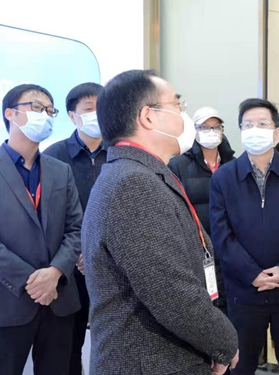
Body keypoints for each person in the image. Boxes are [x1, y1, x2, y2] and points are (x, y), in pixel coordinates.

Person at [81, 70, 238, 375]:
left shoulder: (139, 172)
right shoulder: (133, 184)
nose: (183, 115)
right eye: (177, 106)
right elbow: (171, 293)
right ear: (148, 117)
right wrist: (225, 343)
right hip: (151, 362)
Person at [209, 98, 279, 375]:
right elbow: (222, 237)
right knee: (241, 365)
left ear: (276, 131)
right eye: (248, 125)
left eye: (262, 123)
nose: (255, 129)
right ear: (240, 131)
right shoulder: (224, 178)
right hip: (243, 291)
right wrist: (252, 274)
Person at [0, 84, 83, 375]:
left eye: (50, 111)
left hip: (59, 298)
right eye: (37, 108)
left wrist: (55, 272)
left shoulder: (60, 170)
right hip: (7, 300)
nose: (45, 115)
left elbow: (76, 228)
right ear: (10, 114)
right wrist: (34, 282)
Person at [43, 82, 106, 375]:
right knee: (69, 345)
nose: (97, 115)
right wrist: (77, 253)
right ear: (72, 116)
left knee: (113, 341)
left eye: (101, 108)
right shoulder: (54, 156)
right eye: (89, 109)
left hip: (111, 266)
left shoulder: (119, 152)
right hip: (70, 269)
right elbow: (50, 216)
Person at [168, 106, 235, 316]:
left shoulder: (233, 165)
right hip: (197, 250)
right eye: (204, 127)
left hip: (230, 248)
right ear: (194, 130)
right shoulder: (178, 165)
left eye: (216, 127)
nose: (211, 132)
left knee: (231, 309)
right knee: (204, 309)